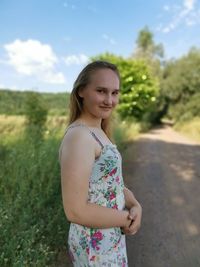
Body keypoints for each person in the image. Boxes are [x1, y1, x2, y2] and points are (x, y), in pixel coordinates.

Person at [59, 60, 142, 266]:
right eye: (101, 91)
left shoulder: (98, 132)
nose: (109, 100)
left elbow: (110, 183)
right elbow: (75, 210)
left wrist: (134, 204)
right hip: (94, 249)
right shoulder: (79, 136)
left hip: (109, 240)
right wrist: (126, 219)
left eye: (115, 93)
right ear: (81, 92)